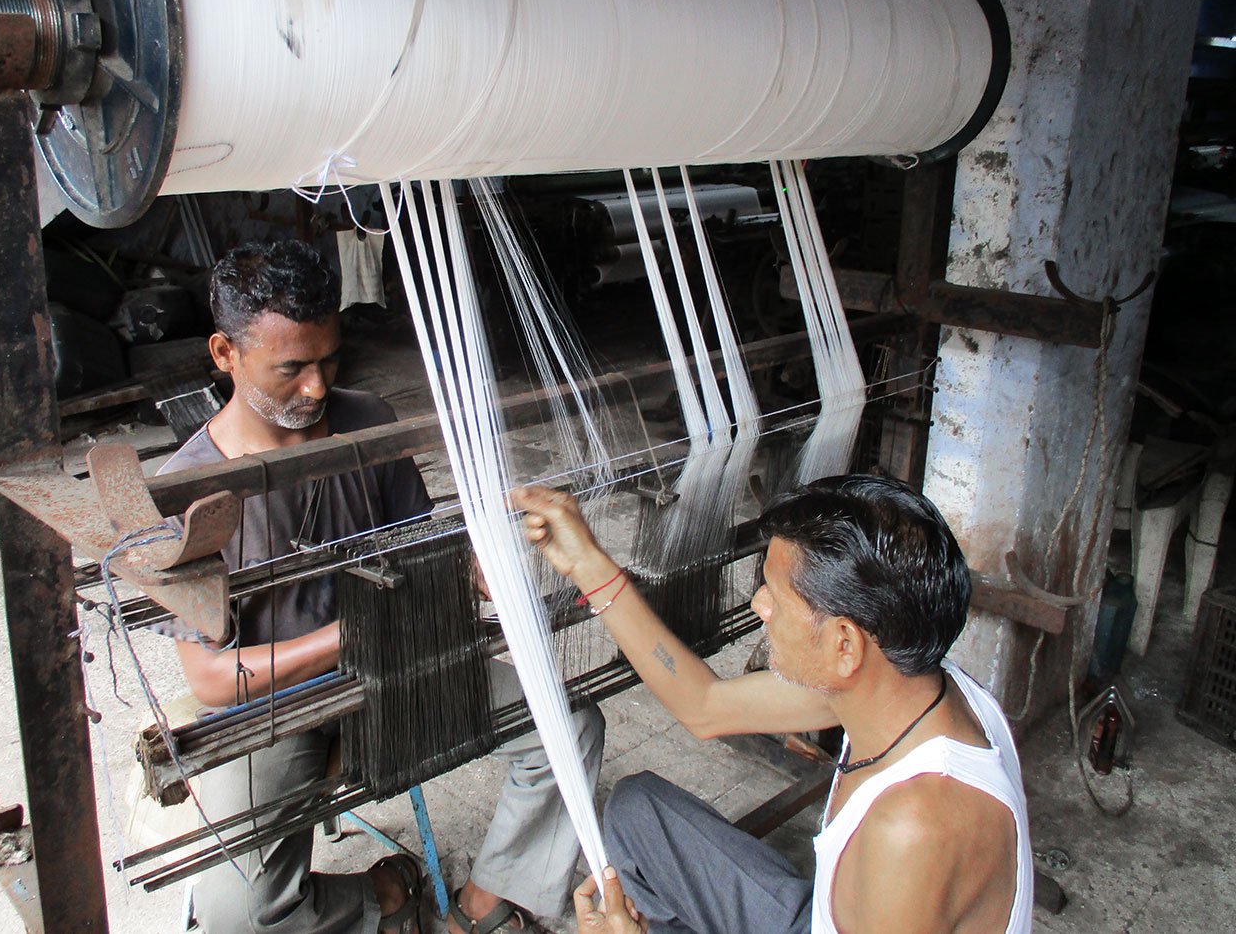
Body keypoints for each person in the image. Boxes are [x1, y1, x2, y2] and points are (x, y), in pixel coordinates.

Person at [158, 240, 604, 934]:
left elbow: (418, 545)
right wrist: (350, 634)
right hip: (276, 704)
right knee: (238, 921)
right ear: (224, 353)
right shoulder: (189, 493)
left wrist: (473, 570)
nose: (315, 387)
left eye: (329, 359)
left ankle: (486, 900)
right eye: (291, 368)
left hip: (398, 665)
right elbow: (215, 681)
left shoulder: (366, 418)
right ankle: (383, 895)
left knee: (568, 730)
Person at [512, 475, 1032, 934]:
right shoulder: (899, 683)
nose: (758, 604)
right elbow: (706, 706)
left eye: (775, 596)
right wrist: (585, 562)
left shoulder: (914, 830)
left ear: (843, 644)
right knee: (636, 809)